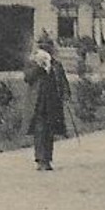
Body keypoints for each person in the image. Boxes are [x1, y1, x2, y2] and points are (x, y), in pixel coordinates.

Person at [23, 35, 70, 171]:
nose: (46, 51)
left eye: (48, 48)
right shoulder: (33, 63)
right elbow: (27, 78)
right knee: (39, 130)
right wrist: (40, 67)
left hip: (52, 102)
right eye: (43, 47)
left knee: (49, 131)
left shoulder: (56, 64)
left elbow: (62, 80)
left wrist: (66, 94)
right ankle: (40, 159)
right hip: (37, 102)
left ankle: (48, 159)